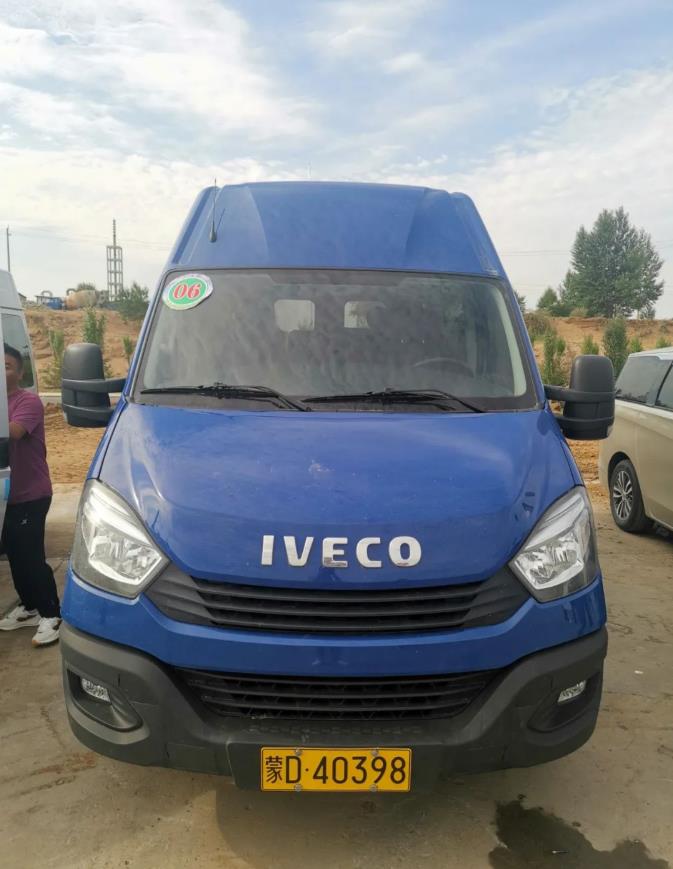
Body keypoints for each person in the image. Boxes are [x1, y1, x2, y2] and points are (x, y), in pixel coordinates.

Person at [0, 343, 61, 646]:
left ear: (20, 372)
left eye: (7, 366)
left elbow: (13, 432)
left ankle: (51, 614)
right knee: (14, 556)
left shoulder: (28, 401)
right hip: (7, 497)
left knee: (31, 556)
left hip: (32, 494)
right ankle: (29, 607)